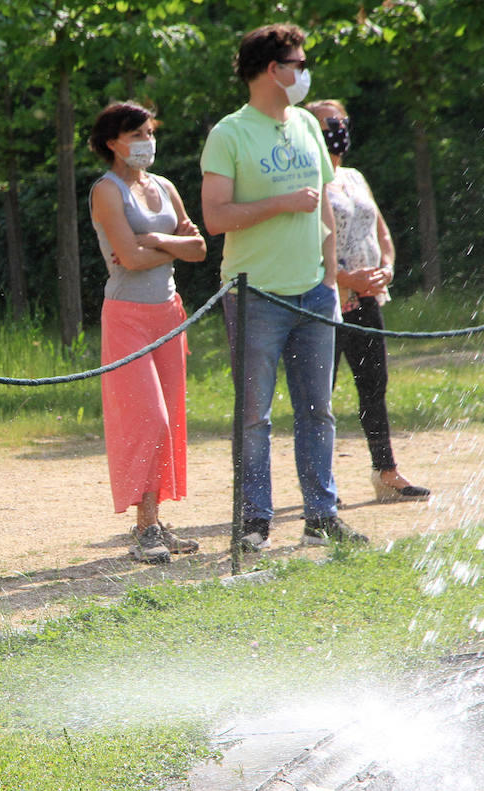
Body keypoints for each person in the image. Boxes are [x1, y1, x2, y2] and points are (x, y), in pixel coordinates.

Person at [200, 22, 367, 551]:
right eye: (297, 64)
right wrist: (281, 203)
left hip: (315, 296)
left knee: (318, 411)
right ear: (273, 70)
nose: (304, 73)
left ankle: (322, 515)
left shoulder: (306, 126)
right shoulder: (228, 134)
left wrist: (328, 277)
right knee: (254, 416)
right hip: (255, 298)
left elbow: (325, 210)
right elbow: (215, 217)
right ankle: (254, 524)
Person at [88, 102, 206, 564]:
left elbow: (198, 249)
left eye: (149, 131)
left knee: (169, 420)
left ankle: (154, 521)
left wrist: (154, 242)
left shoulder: (165, 186)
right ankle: (143, 530)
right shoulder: (106, 190)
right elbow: (128, 261)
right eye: (136, 134)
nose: (146, 141)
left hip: (168, 313)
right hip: (126, 317)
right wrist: (163, 247)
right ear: (112, 142)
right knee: (147, 421)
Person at [306, 99, 430, 503]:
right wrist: (343, 278)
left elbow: (382, 232)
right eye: (327, 123)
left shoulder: (355, 177)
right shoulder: (308, 178)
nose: (336, 129)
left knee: (374, 385)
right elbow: (305, 242)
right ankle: (319, 484)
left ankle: (386, 472)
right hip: (325, 297)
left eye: (340, 121)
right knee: (319, 393)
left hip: (367, 298)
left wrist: (387, 269)